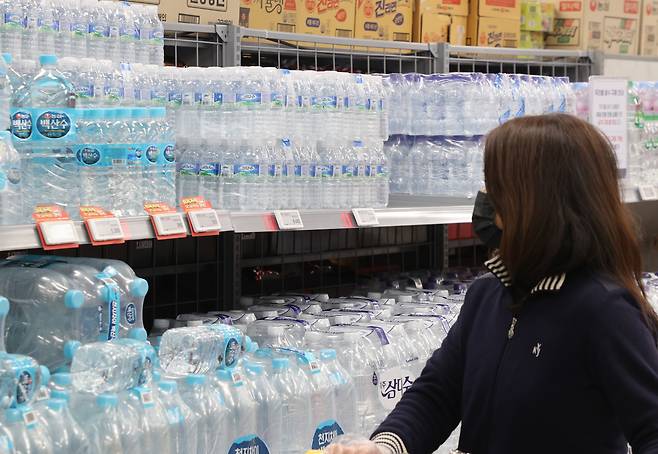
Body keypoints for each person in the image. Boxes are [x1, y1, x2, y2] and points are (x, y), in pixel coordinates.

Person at [327, 114, 658, 454]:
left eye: (495, 187)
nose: (484, 199)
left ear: (539, 203)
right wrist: (382, 448)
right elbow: (438, 393)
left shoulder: (604, 311)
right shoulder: (487, 295)